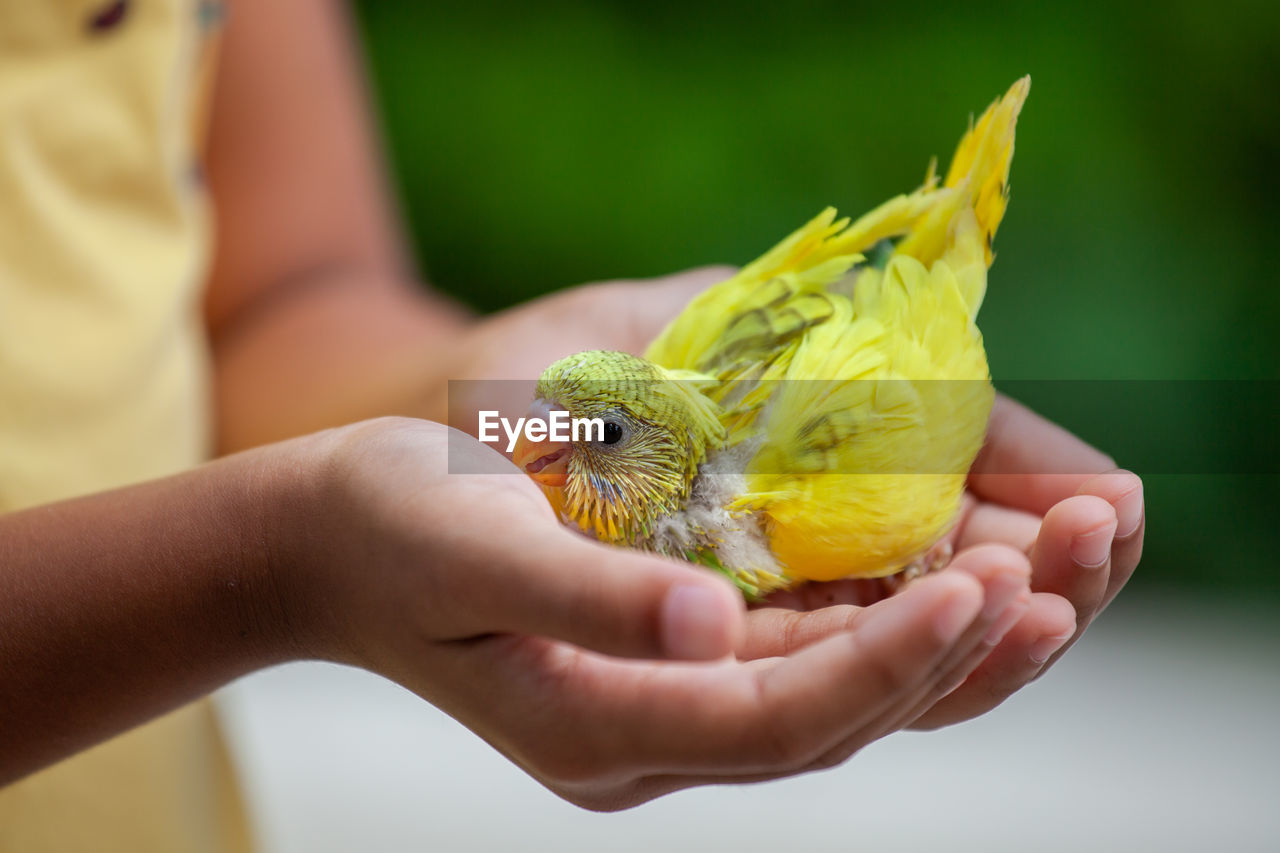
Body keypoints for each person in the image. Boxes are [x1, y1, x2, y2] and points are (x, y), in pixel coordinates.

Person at [0, 1, 1145, 849]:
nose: (529, 439)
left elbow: (278, 299)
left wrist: (461, 397)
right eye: (552, 431)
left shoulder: (759, 488)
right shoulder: (734, 499)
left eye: (566, 432)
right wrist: (275, 558)